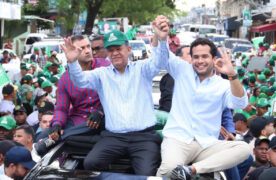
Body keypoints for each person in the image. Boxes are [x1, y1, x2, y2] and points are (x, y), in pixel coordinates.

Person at [63, 15, 169, 176]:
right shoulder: (101, 74)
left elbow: (159, 62)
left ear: (128, 49)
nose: (115, 53)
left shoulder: (142, 69)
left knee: (147, 174)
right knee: (90, 164)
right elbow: (80, 81)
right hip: (114, 137)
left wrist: (161, 40)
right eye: (111, 50)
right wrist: (72, 62)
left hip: (144, 137)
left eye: (118, 49)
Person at [156, 36, 250, 179]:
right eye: (196, 57)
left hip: (207, 144)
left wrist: (231, 74)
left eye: (205, 56)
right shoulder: (182, 71)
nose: (200, 61)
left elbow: (240, 104)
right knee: (169, 170)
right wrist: (162, 38)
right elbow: (162, 55)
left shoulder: (223, 84)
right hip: (178, 140)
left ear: (213, 59)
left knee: (243, 149)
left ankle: (191, 170)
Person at [46, 34, 110, 143]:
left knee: (64, 136)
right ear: (71, 52)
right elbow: (61, 108)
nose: (87, 51)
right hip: (78, 119)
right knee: (43, 136)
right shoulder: (65, 79)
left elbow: (117, 95)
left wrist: (101, 111)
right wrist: (57, 124)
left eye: (88, 46)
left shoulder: (106, 66)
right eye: (81, 48)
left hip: (104, 117)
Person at [159, 45, 191, 112]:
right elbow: (167, 105)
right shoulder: (171, 78)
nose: (194, 57)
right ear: (179, 58)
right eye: (189, 54)